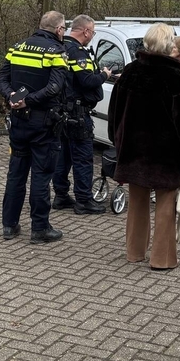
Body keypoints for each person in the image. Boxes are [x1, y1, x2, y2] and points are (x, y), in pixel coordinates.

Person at [108, 23, 180, 270]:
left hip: (133, 149)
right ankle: (162, 259)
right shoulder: (175, 78)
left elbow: (114, 113)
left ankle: (134, 252)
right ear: (169, 45)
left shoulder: (129, 73)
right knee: (165, 204)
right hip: (165, 152)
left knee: (137, 201)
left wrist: (117, 141)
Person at [0, 11, 69, 244]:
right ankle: (40, 228)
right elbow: (55, 87)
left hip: (18, 120)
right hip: (43, 123)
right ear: (58, 29)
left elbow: (1, 79)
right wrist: (30, 100)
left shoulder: (17, 47)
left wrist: (12, 97)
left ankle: (9, 225)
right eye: (64, 28)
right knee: (41, 175)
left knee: (16, 173)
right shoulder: (56, 51)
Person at [52, 14, 113, 214]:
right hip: (78, 114)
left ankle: (61, 195)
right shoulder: (77, 52)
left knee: (63, 156)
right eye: (92, 32)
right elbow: (87, 81)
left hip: (61, 112)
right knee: (83, 157)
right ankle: (84, 200)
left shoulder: (59, 47)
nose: (92, 36)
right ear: (86, 31)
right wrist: (105, 75)